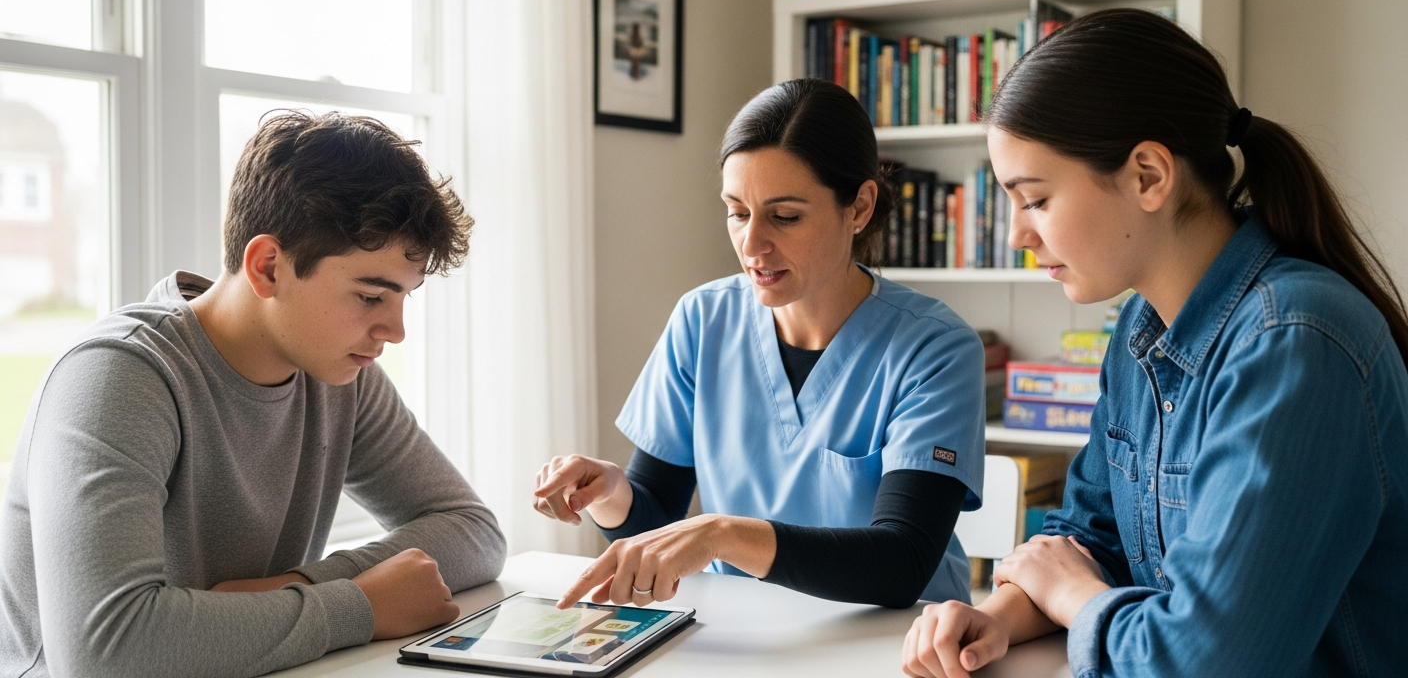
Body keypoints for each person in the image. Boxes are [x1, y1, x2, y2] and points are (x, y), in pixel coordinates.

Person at [901, 8, 1408, 678]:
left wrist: (1072, 596)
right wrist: (1001, 615)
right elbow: (1088, 535)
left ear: (1147, 175)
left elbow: (1201, 663)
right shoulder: (1140, 333)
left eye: (1036, 200)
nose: (1019, 237)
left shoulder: (1296, 344)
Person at [0, 112, 507, 677]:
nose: (396, 330)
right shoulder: (117, 375)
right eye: (370, 297)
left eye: (404, 297)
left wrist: (298, 584)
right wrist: (359, 606)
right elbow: (104, 652)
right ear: (268, 266)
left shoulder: (338, 374)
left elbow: (473, 530)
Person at [534, 78, 987, 611]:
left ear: (860, 207)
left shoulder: (935, 348)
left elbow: (901, 563)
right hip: (750, 634)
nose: (752, 245)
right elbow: (658, 527)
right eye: (737, 211)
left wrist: (724, 535)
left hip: (902, 643)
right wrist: (611, 493)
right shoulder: (703, 320)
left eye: (785, 216)